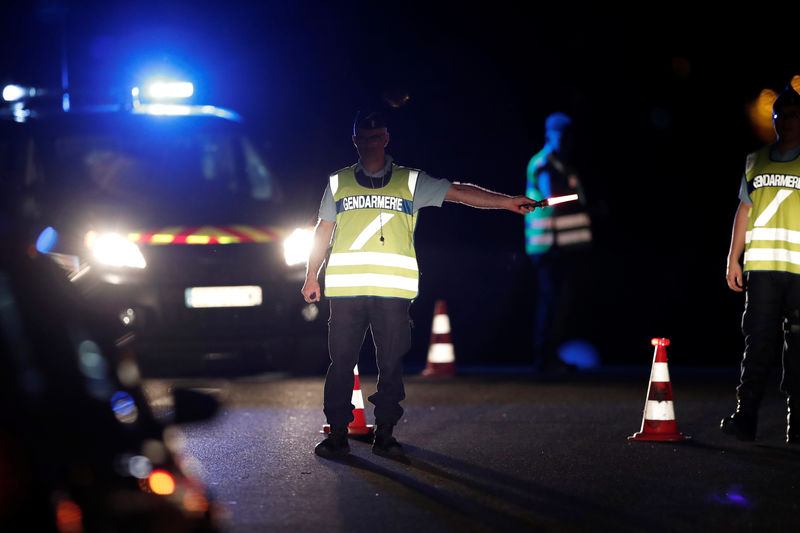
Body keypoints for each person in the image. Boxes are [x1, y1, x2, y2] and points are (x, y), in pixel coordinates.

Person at [301, 110, 537, 459]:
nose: (368, 143)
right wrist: (310, 275)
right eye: (362, 138)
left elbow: (458, 192)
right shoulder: (338, 182)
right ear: (354, 142)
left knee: (391, 365)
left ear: (386, 138)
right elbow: (323, 231)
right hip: (347, 291)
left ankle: (385, 433)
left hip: (393, 291)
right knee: (341, 364)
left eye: (375, 136)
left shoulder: (410, 181)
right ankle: (337, 434)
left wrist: (506, 202)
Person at [722, 84, 800, 443]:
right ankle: (745, 416)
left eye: (793, 115)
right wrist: (732, 258)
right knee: (757, 344)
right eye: (780, 115)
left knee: (798, 350)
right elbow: (745, 209)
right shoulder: (756, 160)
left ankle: (797, 422)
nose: (785, 121)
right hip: (764, 269)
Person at [524, 112, 592, 372]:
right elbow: (553, 197)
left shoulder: (562, 164)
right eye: (561, 136)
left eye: (568, 136)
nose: (566, 142)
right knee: (552, 301)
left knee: (559, 302)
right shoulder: (544, 163)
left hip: (561, 247)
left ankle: (549, 355)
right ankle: (544, 358)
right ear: (549, 135)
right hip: (548, 246)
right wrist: (584, 203)